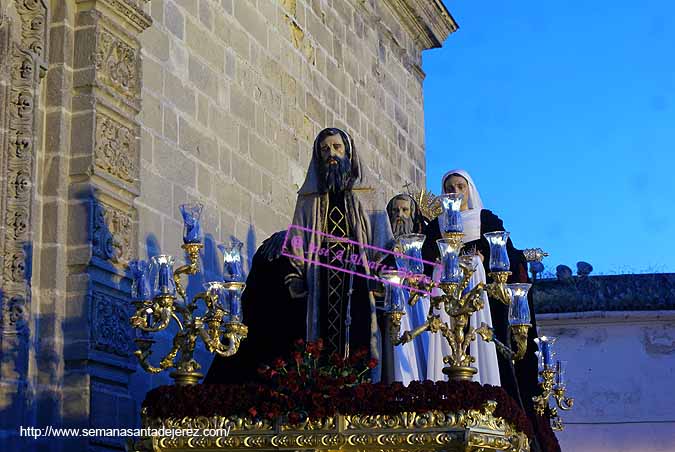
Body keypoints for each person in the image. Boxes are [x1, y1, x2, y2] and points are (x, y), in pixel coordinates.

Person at [421, 169, 548, 452]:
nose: (455, 191)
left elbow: (509, 257)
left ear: (469, 189)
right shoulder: (434, 227)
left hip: (483, 300)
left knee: (485, 344)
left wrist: (483, 259)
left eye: (460, 186)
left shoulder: (486, 219)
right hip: (445, 300)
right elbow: (425, 262)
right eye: (449, 187)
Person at [285, 128, 393, 380]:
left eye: (336, 147)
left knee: (361, 339)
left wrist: (380, 275)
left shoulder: (368, 195)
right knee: (320, 342)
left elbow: (382, 239)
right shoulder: (309, 199)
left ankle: (361, 394)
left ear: (348, 152)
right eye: (325, 149)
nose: (331, 154)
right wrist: (296, 275)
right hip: (319, 278)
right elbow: (296, 242)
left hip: (357, 277)